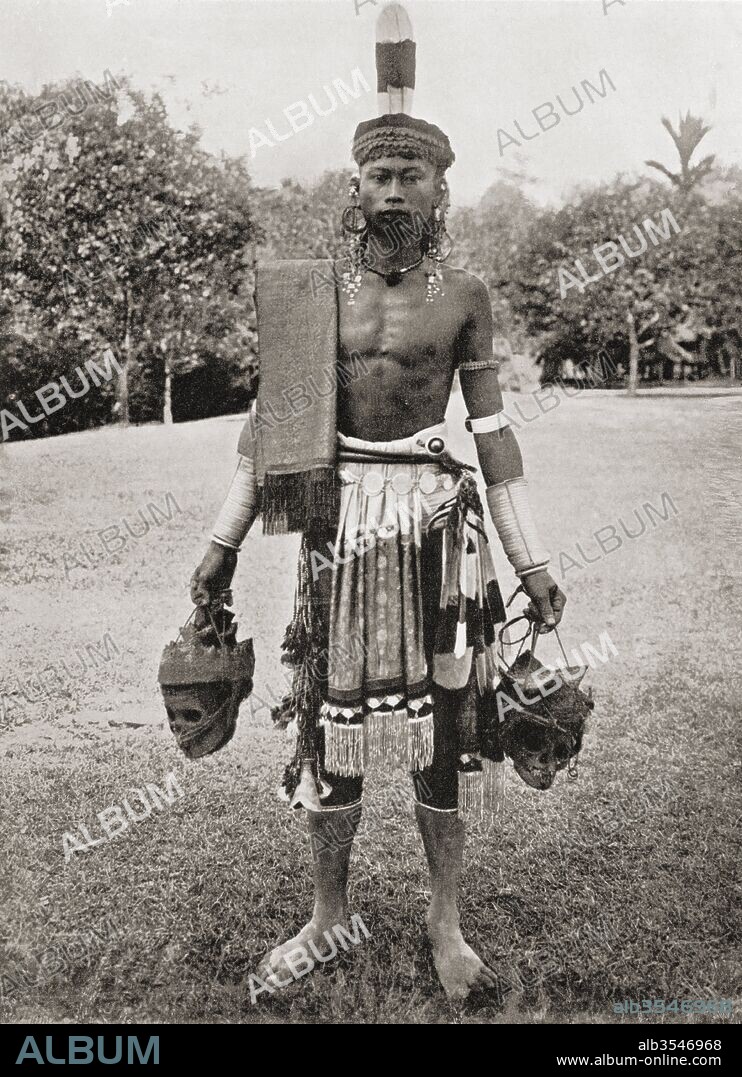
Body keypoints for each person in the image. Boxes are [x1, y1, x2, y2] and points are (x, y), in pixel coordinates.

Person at [190, 2, 566, 1000]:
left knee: (446, 731)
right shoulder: (313, 293)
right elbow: (272, 429)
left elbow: (492, 438)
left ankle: (446, 925)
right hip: (338, 529)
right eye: (379, 174)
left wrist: (530, 562)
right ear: (355, 184)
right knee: (330, 724)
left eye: (412, 176)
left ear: (444, 190)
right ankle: (328, 916)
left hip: (439, 540)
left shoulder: (465, 295)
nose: (393, 189)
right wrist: (221, 546)